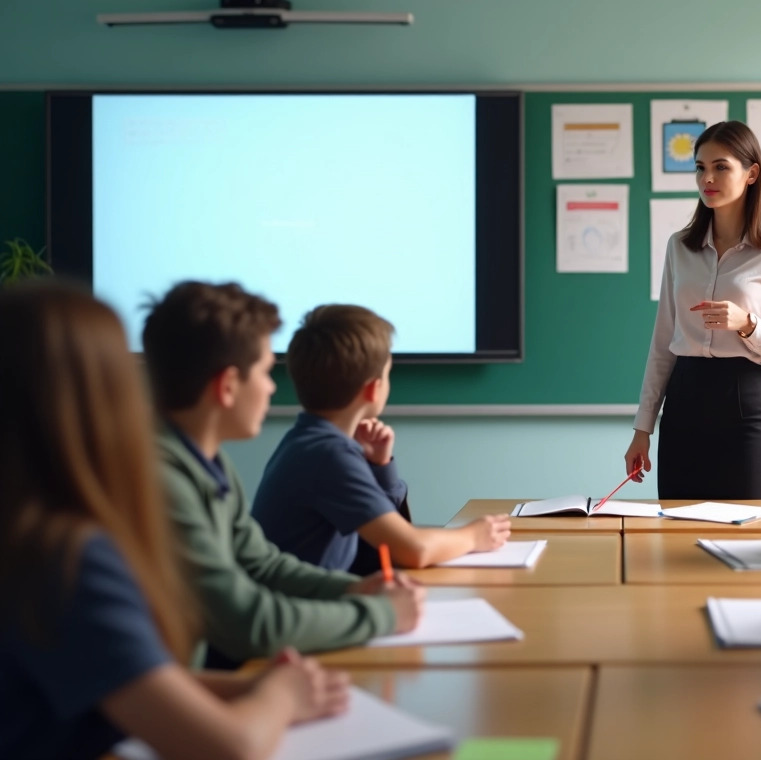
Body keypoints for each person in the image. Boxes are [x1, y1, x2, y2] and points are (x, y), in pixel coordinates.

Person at [0, 280, 350, 760]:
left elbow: (127, 678)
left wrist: (253, 688)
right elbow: (232, 747)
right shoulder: (67, 555)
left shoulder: (26, 534)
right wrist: (283, 695)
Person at [142, 281, 424, 667]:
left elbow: (262, 564)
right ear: (227, 386)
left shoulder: (208, 463)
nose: (272, 386)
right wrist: (383, 615)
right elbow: (250, 623)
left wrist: (357, 588)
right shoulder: (162, 483)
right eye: (263, 371)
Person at [253, 304, 510, 571]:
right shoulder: (328, 454)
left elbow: (380, 539)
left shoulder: (306, 441)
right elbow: (412, 550)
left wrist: (379, 467)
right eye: (388, 374)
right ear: (373, 389)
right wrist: (473, 536)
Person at [626, 120, 761, 499]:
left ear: (751, 173)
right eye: (700, 168)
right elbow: (662, 344)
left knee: (745, 536)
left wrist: (747, 324)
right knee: (677, 540)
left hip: (745, 404)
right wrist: (642, 429)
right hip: (684, 403)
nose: (707, 177)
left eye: (721, 166)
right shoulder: (680, 247)